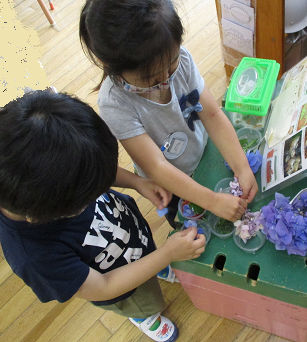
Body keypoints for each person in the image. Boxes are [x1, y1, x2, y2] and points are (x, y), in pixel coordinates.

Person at [0, 90, 206, 342]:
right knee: (143, 300)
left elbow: (92, 167)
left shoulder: (52, 167)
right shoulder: (35, 258)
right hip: (118, 284)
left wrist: (136, 182)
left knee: (148, 255)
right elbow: (104, 286)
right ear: (40, 215)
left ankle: (154, 264)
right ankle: (144, 316)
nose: (95, 191)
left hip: (131, 239)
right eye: (87, 194)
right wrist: (168, 254)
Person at [79, 0, 258, 229]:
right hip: (171, 185)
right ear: (115, 67)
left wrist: (241, 166)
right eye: (150, 79)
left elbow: (213, 115)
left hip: (204, 153)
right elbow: (157, 166)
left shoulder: (181, 61)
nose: (165, 81)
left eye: (170, 65)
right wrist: (212, 201)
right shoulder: (115, 104)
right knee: (189, 224)